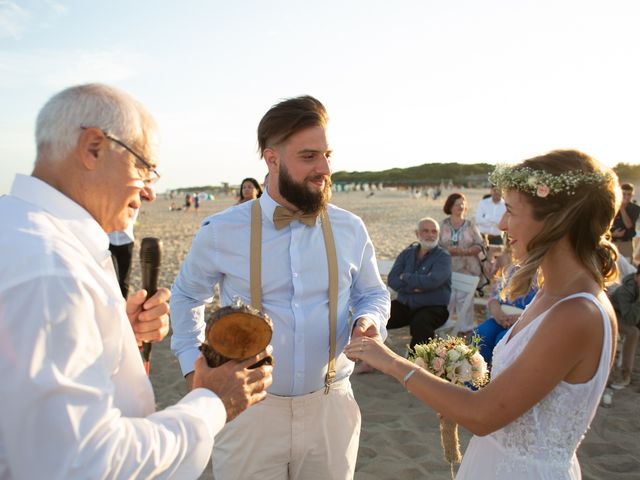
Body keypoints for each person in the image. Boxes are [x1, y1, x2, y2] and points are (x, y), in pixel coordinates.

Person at [0, 84, 273, 479]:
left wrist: (112, 336)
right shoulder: (50, 269)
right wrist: (213, 402)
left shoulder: (18, 227)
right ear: (93, 147)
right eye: (145, 168)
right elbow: (83, 465)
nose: (149, 192)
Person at [345, 149, 619, 479]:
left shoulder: (578, 312)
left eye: (512, 211)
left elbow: (483, 415)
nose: (502, 224)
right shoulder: (551, 292)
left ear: (555, 220)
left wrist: (389, 360)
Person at [170, 95, 390, 480]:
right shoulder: (222, 230)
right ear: (272, 160)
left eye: (327, 154)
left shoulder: (350, 228)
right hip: (249, 412)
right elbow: (187, 296)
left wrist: (369, 320)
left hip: (332, 408)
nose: (324, 168)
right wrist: (195, 371)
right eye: (309, 156)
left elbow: (372, 293)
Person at [386, 217, 452, 348]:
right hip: (405, 305)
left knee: (421, 323)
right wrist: (415, 287)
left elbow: (432, 282)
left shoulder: (443, 257)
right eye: (425, 231)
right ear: (417, 234)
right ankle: (369, 357)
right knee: (377, 314)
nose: (430, 235)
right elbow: (392, 279)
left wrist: (405, 277)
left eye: (434, 232)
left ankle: (416, 365)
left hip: (433, 307)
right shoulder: (407, 254)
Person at [474, 264, 537, 365]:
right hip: (501, 317)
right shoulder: (511, 270)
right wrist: (497, 311)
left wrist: (521, 318)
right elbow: (494, 296)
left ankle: (498, 377)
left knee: (504, 340)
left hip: (526, 323)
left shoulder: (544, 275)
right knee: (481, 333)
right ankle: (475, 375)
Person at [439, 193, 484, 334]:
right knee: (448, 298)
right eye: (457, 203)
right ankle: (443, 326)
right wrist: (448, 250)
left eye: (463, 203)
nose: (461, 206)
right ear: (450, 206)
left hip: (468, 268)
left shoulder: (470, 225)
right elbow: (436, 245)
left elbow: (480, 245)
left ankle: (467, 330)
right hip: (447, 269)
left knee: (464, 300)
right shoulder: (442, 225)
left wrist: (466, 251)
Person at [608, 265, 640, 389]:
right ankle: (624, 375)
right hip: (613, 314)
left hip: (631, 315)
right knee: (633, 333)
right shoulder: (625, 291)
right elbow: (630, 319)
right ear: (637, 277)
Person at [108, 209, 138, 298]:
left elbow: (132, 219)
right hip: (110, 242)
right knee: (113, 277)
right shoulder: (107, 202)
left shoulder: (130, 204)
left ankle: (123, 304)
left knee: (124, 278)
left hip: (127, 241)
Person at [610, 183, 640, 261]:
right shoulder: (610, 206)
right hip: (611, 242)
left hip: (626, 243)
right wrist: (613, 234)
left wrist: (622, 208)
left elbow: (629, 225)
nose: (626, 197)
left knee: (627, 270)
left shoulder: (635, 208)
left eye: (629, 194)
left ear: (632, 195)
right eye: (624, 194)